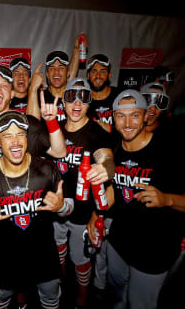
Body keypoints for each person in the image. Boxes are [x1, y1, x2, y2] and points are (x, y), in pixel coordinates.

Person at [87, 89, 185, 309]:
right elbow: (117, 190)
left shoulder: (168, 151)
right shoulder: (115, 148)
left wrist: (167, 199)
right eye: (121, 116)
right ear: (113, 118)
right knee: (116, 297)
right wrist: (96, 213)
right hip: (118, 242)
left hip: (154, 251)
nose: (127, 123)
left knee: (140, 304)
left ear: (145, 115)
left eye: (134, 115)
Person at [0, 65, 66, 303]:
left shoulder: (28, 125)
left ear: (12, 93)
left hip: (27, 209)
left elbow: (59, 151)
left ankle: (19, 295)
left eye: (4, 85)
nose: (15, 140)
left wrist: (51, 121)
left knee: (35, 276)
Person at [51, 78, 115, 308]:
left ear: (90, 103)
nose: (77, 102)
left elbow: (107, 158)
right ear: (64, 103)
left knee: (80, 261)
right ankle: (55, 289)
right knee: (57, 254)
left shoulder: (96, 131)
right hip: (56, 210)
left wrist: (105, 168)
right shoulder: (55, 129)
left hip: (83, 214)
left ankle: (82, 300)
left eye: (84, 97)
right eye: (71, 96)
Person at [26, 33, 88, 121]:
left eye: (61, 67)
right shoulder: (39, 96)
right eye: (52, 68)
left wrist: (77, 48)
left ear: (68, 73)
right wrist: (32, 88)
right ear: (47, 73)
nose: (57, 72)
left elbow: (71, 81)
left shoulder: (76, 98)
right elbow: (32, 125)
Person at [86, 53, 122, 132]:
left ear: (109, 75)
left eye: (103, 71)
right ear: (88, 75)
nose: (98, 76)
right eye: (94, 71)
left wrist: (110, 129)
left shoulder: (121, 96)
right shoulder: (82, 100)